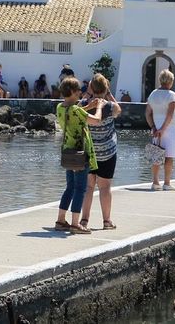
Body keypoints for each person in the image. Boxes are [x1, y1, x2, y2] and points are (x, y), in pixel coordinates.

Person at [55, 76, 98, 233]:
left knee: (70, 187)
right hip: (80, 153)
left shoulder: (60, 107)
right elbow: (96, 121)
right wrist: (97, 107)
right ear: (73, 92)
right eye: (79, 90)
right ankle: (75, 223)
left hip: (68, 151)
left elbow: (73, 112)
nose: (81, 92)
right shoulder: (76, 110)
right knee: (80, 188)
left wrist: (86, 106)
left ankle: (60, 220)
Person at [79, 74, 121, 231]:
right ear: (106, 88)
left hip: (89, 152)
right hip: (107, 152)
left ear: (91, 87)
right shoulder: (109, 106)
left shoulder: (84, 103)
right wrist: (109, 94)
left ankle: (84, 220)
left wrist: (88, 94)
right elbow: (119, 109)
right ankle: (106, 221)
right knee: (105, 187)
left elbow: (77, 109)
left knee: (88, 187)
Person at [145, 69, 175, 191]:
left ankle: (155, 182)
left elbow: (148, 113)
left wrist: (154, 127)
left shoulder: (153, 94)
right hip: (169, 129)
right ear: (170, 81)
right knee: (169, 157)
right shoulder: (172, 95)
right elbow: (170, 115)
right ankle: (167, 183)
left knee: (156, 155)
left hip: (156, 129)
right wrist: (163, 129)